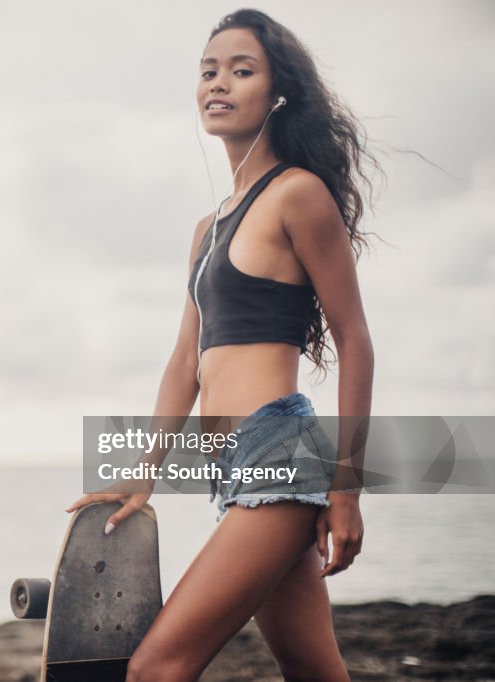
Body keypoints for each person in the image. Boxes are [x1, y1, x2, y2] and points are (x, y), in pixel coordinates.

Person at [66, 9, 379, 681]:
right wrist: (144, 471)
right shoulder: (207, 228)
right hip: (232, 467)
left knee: (155, 668)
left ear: (278, 91)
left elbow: (355, 340)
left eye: (242, 71)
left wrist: (347, 490)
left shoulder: (298, 195)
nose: (219, 83)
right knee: (316, 673)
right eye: (209, 71)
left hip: (279, 453)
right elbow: (186, 362)